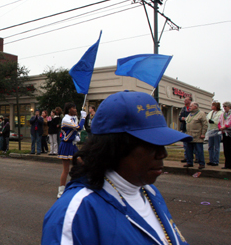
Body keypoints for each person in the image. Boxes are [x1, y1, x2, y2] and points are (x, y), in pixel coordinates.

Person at [42, 91, 192, 245]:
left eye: (163, 144)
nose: (163, 154)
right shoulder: (76, 213)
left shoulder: (150, 191)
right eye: (151, 144)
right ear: (115, 147)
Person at [56, 103, 86, 198]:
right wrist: (83, 118)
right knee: (66, 169)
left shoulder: (73, 118)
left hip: (73, 145)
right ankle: (61, 191)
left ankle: (78, 185)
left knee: (81, 164)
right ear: (69, 109)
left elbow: (76, 130)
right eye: (73, 108)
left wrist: (76, 136)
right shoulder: (66, 119)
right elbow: (78, 127)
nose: (75, 109)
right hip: (66, 145)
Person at [183, 102, 208, 169]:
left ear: (195, 106)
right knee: (188, 150)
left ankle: (201, 163)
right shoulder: (190, 114)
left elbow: (205, 125)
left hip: (197, 135)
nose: (189, 107)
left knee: (199, 150)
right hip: (189, 135)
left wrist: (203, 134)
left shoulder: (201, 114)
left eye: (191, 106)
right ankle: (189, 162)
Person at [206, 102, 223, 166]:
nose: (211, 106)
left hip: (217, 130)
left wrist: (214, 121)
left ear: (215, 106)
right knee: (210, 146)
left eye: (213, 105)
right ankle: (211, 160)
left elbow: (220, 120)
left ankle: (216, 161)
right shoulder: (211, 112)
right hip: (210, 130)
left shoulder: (221, 113)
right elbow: (207, 118)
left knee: (216, 147)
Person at [179, 96, 192, 163]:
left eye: (186, 100)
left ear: (190, 101)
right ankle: (186, 157)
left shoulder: (192, 109)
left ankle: (193, 158)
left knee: (192, 144)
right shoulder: (183, 109)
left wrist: (186, 118)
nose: (184, 101)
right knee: (185, 144)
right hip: (184, 128)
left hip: (191, 129)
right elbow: (180, 118)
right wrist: (182, 118)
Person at [218, 101, 231, 169]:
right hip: (224, 133)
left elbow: (230, 122)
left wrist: (225, 126)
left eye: (225, 106)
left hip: (230, 132)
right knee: (226, 149)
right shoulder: (223, 114)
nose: (224, 108)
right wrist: (220, 127)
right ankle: (227, 164)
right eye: (223, 106)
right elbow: (219, 121)